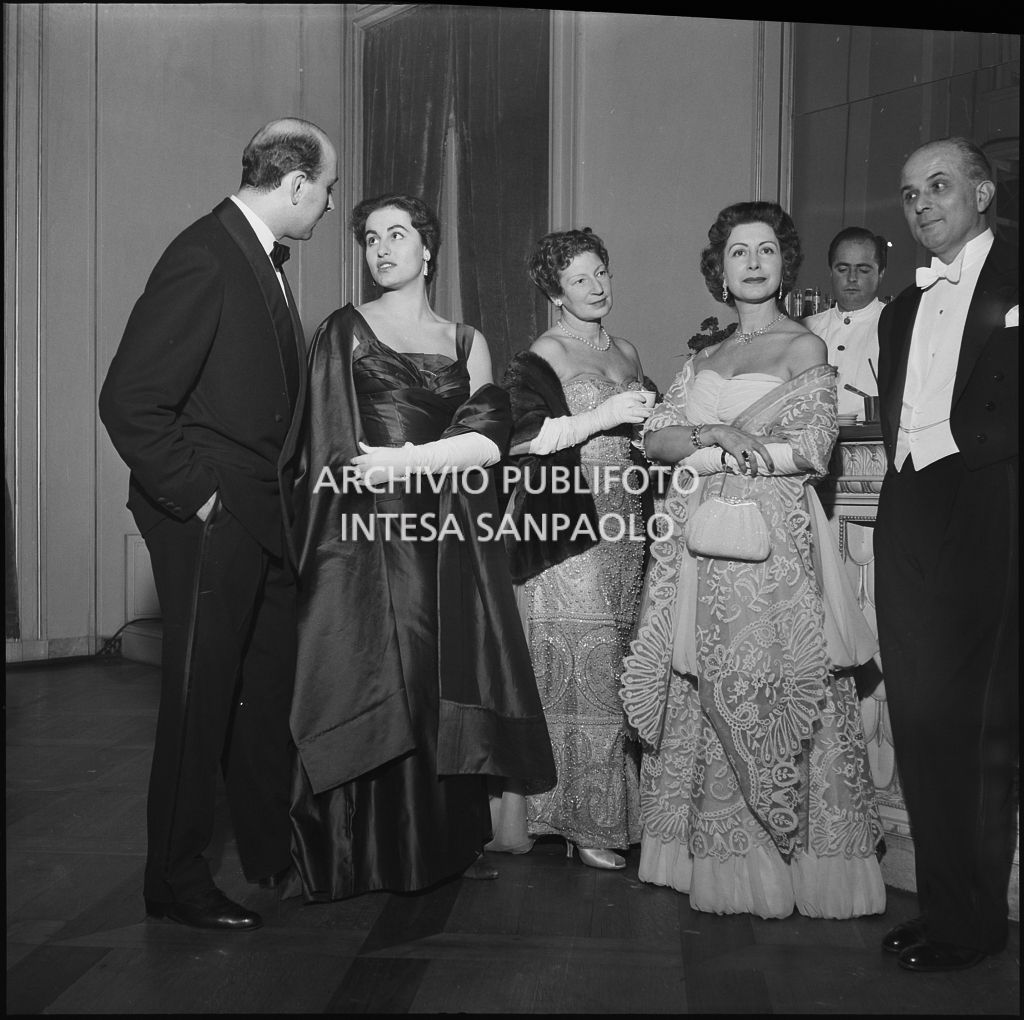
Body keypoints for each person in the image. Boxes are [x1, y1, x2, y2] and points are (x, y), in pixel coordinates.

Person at [98, 118, 338, 931]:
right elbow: (129, 399)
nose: (328, 205)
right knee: (201, 703)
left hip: (262, 520)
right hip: (213, 518)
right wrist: (202, 500)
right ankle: (173, 880)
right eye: (327, 190)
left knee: (262, 695)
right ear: (297, 182)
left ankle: (271, 857)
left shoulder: (254, 256)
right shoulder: (204, 252)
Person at [620, 201, 886, 918]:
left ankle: (797, 864)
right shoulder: (703, 357)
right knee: (703, 683)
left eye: (766, 249)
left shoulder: (804, 349)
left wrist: (711, 448)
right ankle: (709, 862)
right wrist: (711, 435)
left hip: (772, 550)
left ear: (783, 261)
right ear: (721, 269)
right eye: (739, 251)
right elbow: (655, 439)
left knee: (771, 678)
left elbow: (812, 450)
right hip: (701, 546)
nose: (754, 262)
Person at [287, 193, 556, 899]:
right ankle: (361, 852)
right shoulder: (342, 329)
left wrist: (410, 464)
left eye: (397, 235)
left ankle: (436, 847)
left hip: (446, 534)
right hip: (367, 537)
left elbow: (489, 442)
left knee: (439, 679)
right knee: (378, 671)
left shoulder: (468, 342)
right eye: (371, 238)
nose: (382, 249)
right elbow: (323, 443)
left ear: (427, 248)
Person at [874, 138, 1018, 972]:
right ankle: (942, 908)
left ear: (983, 192)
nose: (922, 202)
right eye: (908, 191)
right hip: (910, 503)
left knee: (978, 726)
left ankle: (975, 924)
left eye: (938, 185)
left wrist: (970, 450)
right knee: (921, 720)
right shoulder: (900, 308)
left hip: (989, 499)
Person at [490, 228, 652, 870]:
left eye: (601, 272)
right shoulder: (543, 354)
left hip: (628, 520)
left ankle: (606, 811)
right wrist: (608, 420)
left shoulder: (629, 349)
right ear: (555, 292)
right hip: (570, 519)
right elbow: (522, 439)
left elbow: (644, 433)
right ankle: (577, 822)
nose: (597, 287)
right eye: (580, 278)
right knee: (577, 664)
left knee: (616, 662)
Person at [802, 227, 887, 419]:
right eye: (842, 269)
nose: (852, 278)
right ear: (830, 272)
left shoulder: (895, 327)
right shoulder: (806, 329)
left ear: (881, 273)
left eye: (863, 270)